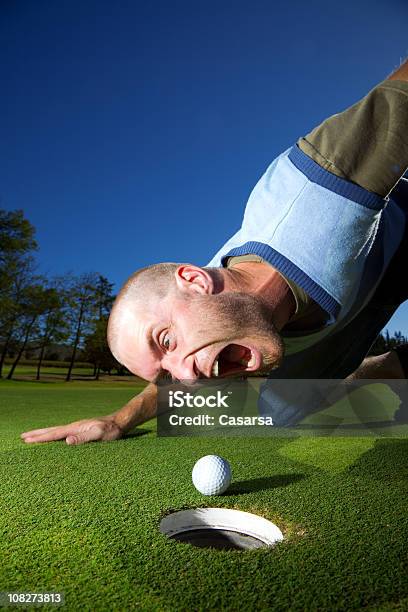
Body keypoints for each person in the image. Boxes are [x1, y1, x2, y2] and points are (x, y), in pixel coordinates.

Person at [22, 60, 408, 445]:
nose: (185, 376)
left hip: (399, 224)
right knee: (282, 412)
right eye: (168, 372)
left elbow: (399, 93)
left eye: (167, 342)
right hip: (353, 303)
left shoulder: (318, 190)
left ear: (196, 280)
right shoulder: (216, 325)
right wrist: (118, 420)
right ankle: (394, 367)